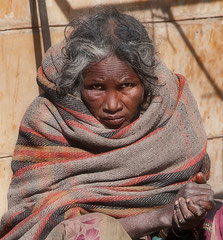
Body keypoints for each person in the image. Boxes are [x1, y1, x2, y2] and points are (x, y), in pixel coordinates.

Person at [0, 7, 222, 240]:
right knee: (91, 230)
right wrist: (160, 216)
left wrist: (189, 205)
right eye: (96, 87)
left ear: (145, 82)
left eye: (126, 86)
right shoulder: (48, 120)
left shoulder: (170, 108)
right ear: (78, 83)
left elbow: (181, 204)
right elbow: (45, 221)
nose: (113, 105)